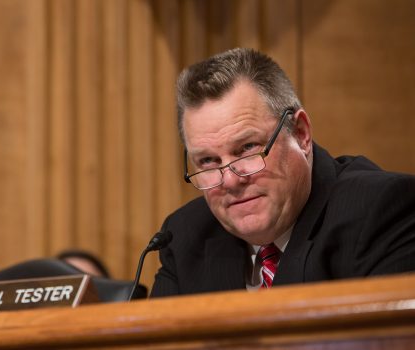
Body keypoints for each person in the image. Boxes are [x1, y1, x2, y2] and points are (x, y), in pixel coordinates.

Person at [150, 48, 415, 297]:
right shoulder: (184, 236)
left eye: (247, 148)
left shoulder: (381, 211)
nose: (230, 180)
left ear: (301, 134)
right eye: (208, 160)